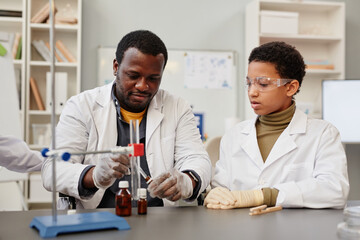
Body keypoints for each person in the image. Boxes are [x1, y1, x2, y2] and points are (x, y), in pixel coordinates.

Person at [42, 30, 211, 209]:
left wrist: (186, 180)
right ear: (116, 67)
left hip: (159, 219)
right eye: (133, 75)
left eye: (153, 79)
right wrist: (94, 175)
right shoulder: (81, 106)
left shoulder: (177, 107)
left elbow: (198, 159)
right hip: (98, 218)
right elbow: (52, 170)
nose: (142, 86)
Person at [204, 41, 349, 209]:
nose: (252, 92)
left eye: (263, 84)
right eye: (249, 83)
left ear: (291, 88)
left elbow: (334, 190)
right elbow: (222, 188)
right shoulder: (234, 136)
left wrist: (266, 195)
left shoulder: (323, 134)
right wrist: (214, 194)